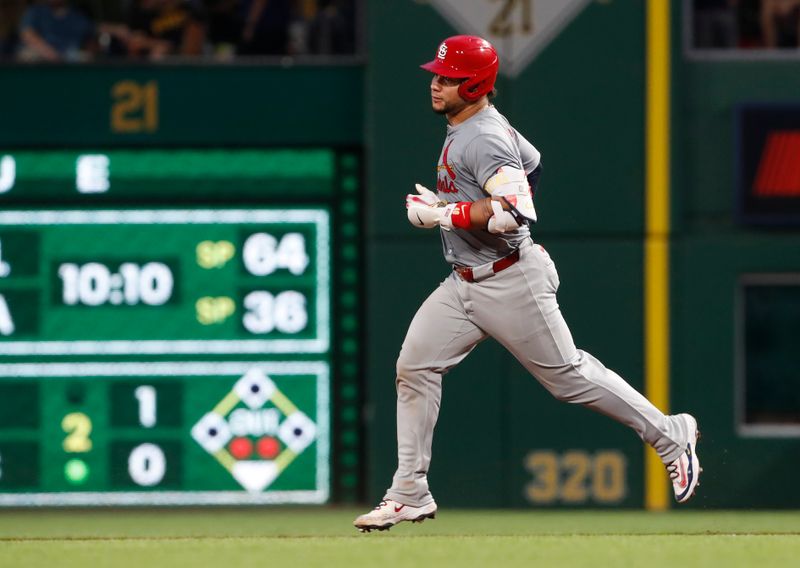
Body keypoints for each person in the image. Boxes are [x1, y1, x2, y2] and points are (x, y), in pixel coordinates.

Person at [353, 35, 702, 533]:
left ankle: (670, 434)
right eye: (437, 73)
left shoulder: (483, 135)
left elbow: (516, 210)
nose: (436, 82)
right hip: (464, 282)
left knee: (570, 378)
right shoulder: (472, 127)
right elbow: (531, 163)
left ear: (474, 84)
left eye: (448, 77)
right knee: (415, 366)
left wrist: (442, 214)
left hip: (509, 279)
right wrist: (456, 206)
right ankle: (409, 491)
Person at [17, 0, 96, 62]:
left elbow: (91, 37)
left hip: (68, 56)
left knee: (84, 57)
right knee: (28, 55)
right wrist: (49, 53)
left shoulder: (77, 16)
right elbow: (28, 34)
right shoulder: (36, 11)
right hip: (40, 55)